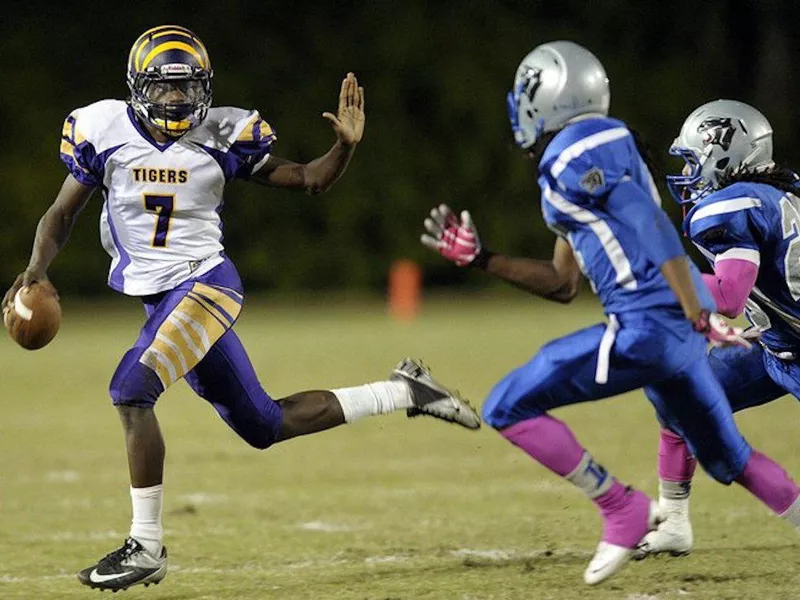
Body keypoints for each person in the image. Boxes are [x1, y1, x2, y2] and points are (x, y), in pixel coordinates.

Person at [1, 25, 480, 592]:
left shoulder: (224, 133)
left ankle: (145, 546)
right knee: (263, 424)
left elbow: (308, 178)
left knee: (131, 390)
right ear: (138, 87)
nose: (176, 100)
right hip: (161, 301)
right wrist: (36, 269)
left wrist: (344, 146)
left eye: (186, 89)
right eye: (163, 88)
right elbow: (61, 215)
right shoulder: (102, 130)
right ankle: (408, 390)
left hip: (206, 286)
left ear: (204, 88)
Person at [420, 41, 800, 585]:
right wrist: (483, 259)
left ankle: (620, 507)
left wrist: (696, 308)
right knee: (730, 459)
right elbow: (561, 283)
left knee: (506, 404)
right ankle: (671, 519)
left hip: (644, 327)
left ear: (545, 99)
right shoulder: (602, 144)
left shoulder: (576, 152)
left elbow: (646, 221)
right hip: (675, 333)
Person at [635, 100, 800, 558]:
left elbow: (727, 295)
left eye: (692, 160)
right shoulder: (778, 193)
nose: (688, 174)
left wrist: (656, 277)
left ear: (721, 153)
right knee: (678, 395)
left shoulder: (733, 205)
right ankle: (672, 522)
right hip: (778, 346)